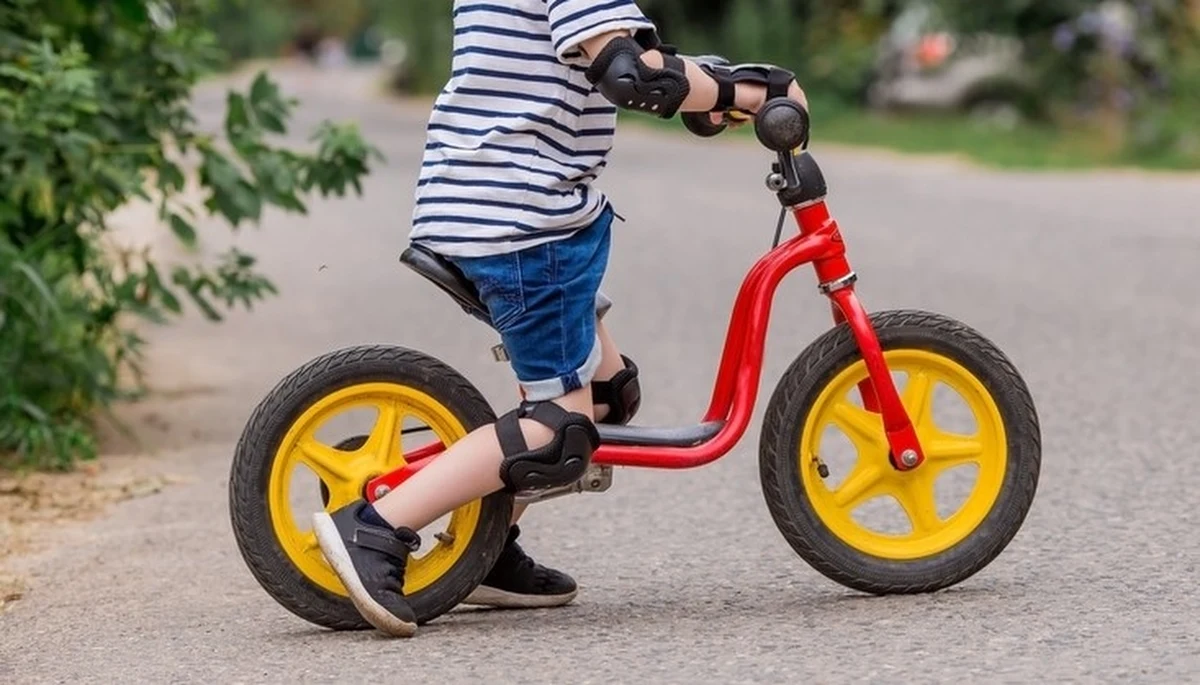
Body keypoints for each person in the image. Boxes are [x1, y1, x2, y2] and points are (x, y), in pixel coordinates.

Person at [312, 0, 809, 638]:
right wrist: (750, 86)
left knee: (604, 394)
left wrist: (706, 83)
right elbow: (630, 74)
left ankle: (483, 546)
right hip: (521, 223)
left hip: (508, 207)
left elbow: (608, 58)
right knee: (558, 428)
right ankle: (377, 527)